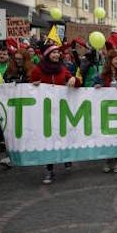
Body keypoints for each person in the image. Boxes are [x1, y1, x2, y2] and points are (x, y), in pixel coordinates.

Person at [30, 44, 80, 184]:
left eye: (58, 53)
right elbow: (28, 86)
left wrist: (74, 80)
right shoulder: (38, 70)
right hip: (44, 112)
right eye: (53, 53)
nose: (56, 55)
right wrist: (33, 85)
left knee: (63, 136)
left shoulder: (63, 69)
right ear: (47, 55)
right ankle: (49, 170)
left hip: (61, 111)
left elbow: (77, 83)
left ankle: (65, 158)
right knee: (48, 141)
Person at [0, 49, 35, 168]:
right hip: (12, 105)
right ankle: (10, 157)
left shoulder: (31, 69)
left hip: (26, 106)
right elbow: (3, 81)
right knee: (11, 132)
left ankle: (29, 153)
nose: (18, 61)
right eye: (16, 59)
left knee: (25, 131)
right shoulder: (10, 69)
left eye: (20, 59)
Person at [94, 50, 117, 173]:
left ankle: (116, 161)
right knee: (107, 137)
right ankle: (108, 160)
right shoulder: (101, 75)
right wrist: (97, 87)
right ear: (110, 60)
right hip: (106, 110)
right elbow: (92, 86)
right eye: (116, 59)